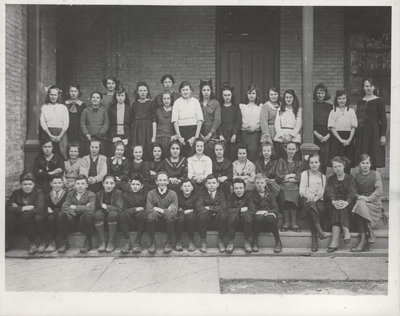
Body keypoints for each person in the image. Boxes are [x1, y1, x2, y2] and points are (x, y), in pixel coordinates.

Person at [6, 173, 45, 254]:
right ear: (21, 184)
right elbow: (8, 208)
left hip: (33, 217)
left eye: (30, 184)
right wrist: (23, 208)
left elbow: (39, 209)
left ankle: (32, 242)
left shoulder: (38, 193)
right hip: (20, 218)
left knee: (25, 216)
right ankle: (5, 241)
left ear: (34, 184)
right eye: (25, 184)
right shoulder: (16, 193)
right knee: (8, 216)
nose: (27, 186)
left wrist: (17, 208)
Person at [351, 154, 383, 252]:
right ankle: (369, 232)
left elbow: (379, 190)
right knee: (359, 204)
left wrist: (368, 199)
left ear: (370, 164)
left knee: (359, 206)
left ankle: (363, 241)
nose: (365, 165)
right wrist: (359, 196)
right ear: (359, 165)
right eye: (363, 163)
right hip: (361, 201)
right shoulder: (356, 176)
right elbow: (353, 191)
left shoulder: (375, 174)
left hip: (373, 203)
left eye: (367, 163)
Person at [325, 156, 357, 253]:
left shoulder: (350, 178)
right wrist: (333, 201)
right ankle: (346, 230)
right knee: (337, 207)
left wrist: (346, 202)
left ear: (344, 166)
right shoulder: (330, 179)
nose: (337, 169)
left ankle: (334, 242)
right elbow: (329, 192)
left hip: (348, 206)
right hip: (333, 205)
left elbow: (352, 192)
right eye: (335, 167)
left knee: (341, 207)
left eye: (339, 166)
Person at [354, 78, 387, 169]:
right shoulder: (360, 101)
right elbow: (357, 117)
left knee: (373, 154)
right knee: (363, 154)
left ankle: (372, 178)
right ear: (364, 88)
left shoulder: (379, 101)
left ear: (374, 87)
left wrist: (383, 135)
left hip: (374, 131)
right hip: (362, 131)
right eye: (366, 86)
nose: (368, 88)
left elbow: (383, 118)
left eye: (371, 86)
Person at [299, 154, 329, 252]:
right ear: (308, 164)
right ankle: (319, 232)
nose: (314, 164)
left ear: (319, 163)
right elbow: (301, 191)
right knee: (312, 208)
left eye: (316, 162)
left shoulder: (322, 176)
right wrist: (309, 197)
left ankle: (316, 235)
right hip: (305, 200)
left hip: (317, 201)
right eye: (311, 162)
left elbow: (321, 192)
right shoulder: (304, 174)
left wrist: (314, 199)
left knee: (314, 210)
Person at [59, 175, 96, 253]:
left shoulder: (91, 194)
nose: (80, 186)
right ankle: (64, 241)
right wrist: (83, 207)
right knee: (62, 215)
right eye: (78, 184)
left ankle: (88, 242)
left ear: (86, 185)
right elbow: (64, 207)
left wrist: (74, 207)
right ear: (75, 185)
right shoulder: (70, 194)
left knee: (89, 215)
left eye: (82, 184)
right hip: (72, 222)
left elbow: (91, 208)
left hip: (84, 223)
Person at [146, 171, 179, 254]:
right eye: (160, 180)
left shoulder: (173, 194)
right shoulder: (151, 193)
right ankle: (152, 242)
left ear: (168, 181)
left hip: (168, 221)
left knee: (170, 216)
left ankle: (169, 242)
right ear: (156, 182)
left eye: (164, 180)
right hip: (155, 219)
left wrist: (158, 209)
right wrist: (165, 210)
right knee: (150, 216)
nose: (162, 182)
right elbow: (149, 209)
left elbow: (173, 211)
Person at [251, 173, 282, 253]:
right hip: (258, 222)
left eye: (262, 183)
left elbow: (276, 209)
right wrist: (259, 212)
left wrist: (266, 212)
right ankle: (255, 241)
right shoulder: (251, 195)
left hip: (270, 223)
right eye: (257, 183)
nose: (260, 185)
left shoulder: (270, 195)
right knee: (258, 217)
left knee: (270, 217)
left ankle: (278, 241)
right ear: (254, 183)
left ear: (265, 184)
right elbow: (252, 209)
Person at [275, 141, 303, 232]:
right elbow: (279, 175)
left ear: (296, 149)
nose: (291, 151)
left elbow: (299, 176)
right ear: (285, 149)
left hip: (295, 185)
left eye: (293, 149)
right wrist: (291, 175)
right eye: (289, 149)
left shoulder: (299, 162)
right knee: (285, 194)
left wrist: (288, 177)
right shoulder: (281, 161)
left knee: (295, 194)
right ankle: (286, 222)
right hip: (283, 185)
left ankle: (293, 223)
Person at [171, 81, 204, 156]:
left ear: (190, 90)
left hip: (193, 130)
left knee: (192, 153)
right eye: (183, 90)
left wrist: (196, 137)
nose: (185, 92)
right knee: (182, 153)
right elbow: (175, 121)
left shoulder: (195, 101)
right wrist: (179, 137)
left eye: (187, 89)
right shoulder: (177, 102)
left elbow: (200, 120)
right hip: (181, 131)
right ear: (180, 91)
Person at [196, 174, 227, 253]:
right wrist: (213, 210)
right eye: (209, 183)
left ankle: (221, 240)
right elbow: (199, 206)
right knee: (202, 213)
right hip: (206, 220)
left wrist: (209, 208)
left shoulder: (221, 193)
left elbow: (223, 206)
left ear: (217, 184)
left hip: (218, 220)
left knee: (223, 214)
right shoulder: (202, 193)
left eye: (213, 183)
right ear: (206, 185)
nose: (211, 185)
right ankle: (203, 241)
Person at [328, 90, 358, 171]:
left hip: (348, 137)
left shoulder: (351, 111)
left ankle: (347, 180)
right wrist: (340, 139)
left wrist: (349, 140)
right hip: (337, 138)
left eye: (343, 98)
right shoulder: (333, 111)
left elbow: (353, 127)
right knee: (338, 161)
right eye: (339, 98)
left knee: (347, 161)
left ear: (347, 99)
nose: (341, 100)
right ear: (336, 100)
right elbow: (332, 127)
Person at [94, 175, 123, 253]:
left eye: (111, 183)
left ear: (115, 184)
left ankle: (111, 242)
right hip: (102, 215)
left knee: (112, 214)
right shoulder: (98, 194)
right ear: (103, 184)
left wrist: (107, 206)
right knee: (97, 215)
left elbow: (120, 209)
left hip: (113, 216)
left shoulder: (118, 193)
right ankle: (102, 242)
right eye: (106, 183)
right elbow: (95, 208)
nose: (108, 186)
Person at [226, 178, 256, 253]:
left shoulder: (249, 196)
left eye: (240, 188)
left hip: (245, 222)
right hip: (232, 222)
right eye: (236, 188)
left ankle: (247, 241)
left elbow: (252, 210)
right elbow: (228, 209)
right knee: (232, 216)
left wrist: (240, 212)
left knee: (248, 217)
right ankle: (231, 242)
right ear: (233, 189)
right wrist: (240, 210)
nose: (238, 190)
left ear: (244, 188)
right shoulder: (230, 196)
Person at [40, 85, 69, 159]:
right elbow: (42, 122)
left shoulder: (63, 107)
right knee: (48, 152)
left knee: (62, 152)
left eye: (55, 95)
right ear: (48, 95)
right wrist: (50, 135)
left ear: (58, 96)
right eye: (51, 95)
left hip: (61, 132)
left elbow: (66, 122)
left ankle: (62, 169)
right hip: (48, 132)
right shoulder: (44, 107)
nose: (53, 97)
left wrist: (60, 136)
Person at [120, 175, 148, 254]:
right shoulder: (126, 195)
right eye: (133, 184)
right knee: (122, 215)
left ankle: (137, 242)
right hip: (129, 221)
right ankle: (127, 242)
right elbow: (124, 210)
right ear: (130, 185)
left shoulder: (146, 195)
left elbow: (146, 208)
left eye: (137, 184)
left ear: (142, 186)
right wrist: (135, 209)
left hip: (141, 222)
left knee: (142, 214)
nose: (135, 186)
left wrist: (138, 210)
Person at [274, 89, 302, 158]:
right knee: (280, 158)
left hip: (293, 137)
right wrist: (282, 136)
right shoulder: (280, 109)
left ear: (293, 98)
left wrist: (290, 136)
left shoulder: (298, 110)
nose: (288, 99)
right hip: (281, 137)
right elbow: (277, 124)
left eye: (290, 97)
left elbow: (298, 124)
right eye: (286, 97)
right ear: (284, 98)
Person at [131, 81, 156, 160]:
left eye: (144, 91)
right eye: (141, 91)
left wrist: (154, 136)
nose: (143, 93)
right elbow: (132, 120)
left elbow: (154, 120)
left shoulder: (151, 103)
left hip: (148, 130)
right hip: (137, 130)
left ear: (147, 91)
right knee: (137, 147)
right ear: (137, 92)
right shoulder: (134, 104)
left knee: (147, 148)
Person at [80, 91, 110, 155]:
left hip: (100, 137)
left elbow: (106, 123)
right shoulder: (85, 110)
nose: (95, 99)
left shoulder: (104, 110)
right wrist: (86, 133)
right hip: (89, 137)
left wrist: (101, 133)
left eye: (97, 97)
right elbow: (82, 122)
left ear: (101, 100)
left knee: (101, 153)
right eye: (93, 97)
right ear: (90, 99)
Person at [218, 83, 241, 160]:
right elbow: (217, 122)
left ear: (231, 95)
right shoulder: (219, 108)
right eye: (225, 95)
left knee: (233, 155)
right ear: (222, 96)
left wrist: (234, 134)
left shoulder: (236, 107)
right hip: (223, 136)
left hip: (233, 136)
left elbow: (238, 121)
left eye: (229, 95)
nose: (227, 97)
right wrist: (220, 134)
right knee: (223, 156)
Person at [312, 83, 333, 173]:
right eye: (318, 93)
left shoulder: (330, 107)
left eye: (322, 93)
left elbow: (333, 122)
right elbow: (309, 121)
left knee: (324, 159)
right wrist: (316, 134)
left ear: (325, 94)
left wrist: (328, 135)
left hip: (326, 134)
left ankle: (323, 178)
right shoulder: (311, 106)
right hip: (315, 134)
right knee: (315, 158)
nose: (320, 95)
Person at [239, 83, 262, 162]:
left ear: (256, 94)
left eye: (253, 93)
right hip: (245, 134)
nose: (251, 95)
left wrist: (256, 127)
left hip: (256, 134)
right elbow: (239, 120)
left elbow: (262, 121)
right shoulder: (242, 106)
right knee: (246, 152)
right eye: (249, 93)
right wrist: (245, 127)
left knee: (255, 152)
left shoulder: (260, 106)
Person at [44, 174, 67, 253]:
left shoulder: (67, 194)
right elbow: (45, 205)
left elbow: (67, 205)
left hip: (63, 216)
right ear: (51, 184)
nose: (57, 185)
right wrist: (47, 208)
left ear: (63, 184)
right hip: (51, 217)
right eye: (55, 183)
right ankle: (52, 241)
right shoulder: (47, 194)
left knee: (60, 216)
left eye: (59, 183)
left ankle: (63, 241)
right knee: (50, 218)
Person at [108, 86, 132, 156]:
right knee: (114, 151)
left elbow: (131, 124)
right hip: (114, 132)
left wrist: (128, 138)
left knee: (126, 152)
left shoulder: (129, 108)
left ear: (125, 96)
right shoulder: (111, 108)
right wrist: (112, 137)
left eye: (122, 95)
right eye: (118, 95)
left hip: (126, 133)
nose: (120, 98)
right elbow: (109, 123)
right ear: (115, 96)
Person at [199, 79, 221, 156]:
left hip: (212, 133)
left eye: (208, 90)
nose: (206, 92)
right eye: (204, 90)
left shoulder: (215, 103)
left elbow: (217, 120)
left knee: (212, 154)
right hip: (200, 132)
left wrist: (209, 135)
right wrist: (200, 134)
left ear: (211, 91)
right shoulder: (198, 104)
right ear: (201, 91)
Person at [175, 178, 197, 252]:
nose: (187, 188)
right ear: (181, 188)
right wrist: (179, 210)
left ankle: (191, 240)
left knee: (190, 218)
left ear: (192, 187)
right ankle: (178, 241)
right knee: (180, 218)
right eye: (184, 186)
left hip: (191, 214)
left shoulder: (195, 195)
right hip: (180, 213)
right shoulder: (177, 195)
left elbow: (198, 207)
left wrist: (191, 210)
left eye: (188, 186)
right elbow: (175, 205)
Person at [260, 87, 281, 154]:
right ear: (268, 95)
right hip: (269, 131)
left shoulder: (281, 105)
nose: (273, 96)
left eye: (275, 94)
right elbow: (263, 122)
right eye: (271, 94)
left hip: (280, 132)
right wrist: (267, 136)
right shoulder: (266, 106)